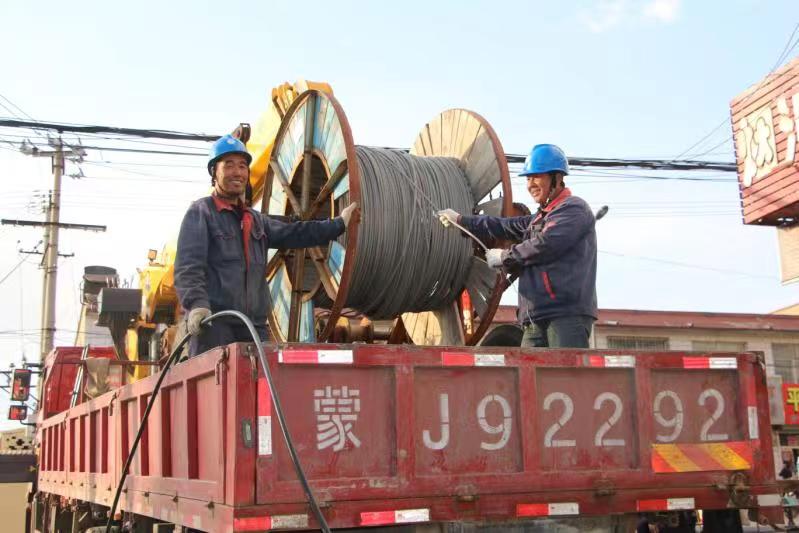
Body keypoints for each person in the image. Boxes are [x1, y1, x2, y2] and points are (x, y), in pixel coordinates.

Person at [175, 134, 358, 356]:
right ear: (214, 172)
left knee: (260, 378)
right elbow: (188, 267)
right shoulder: (201, 212)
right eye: (229, 165)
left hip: (253, 327)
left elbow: (297, 232)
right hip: (215, 325)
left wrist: (339, 224)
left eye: (242, 166)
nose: (237, 172)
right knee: (218, 379)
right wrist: (197, 305)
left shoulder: (255, 220)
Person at [438, 144, 597, 348]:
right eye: (528, 178)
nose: (531, 184)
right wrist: (461, 220)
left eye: (536, 177)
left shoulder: (574, 209)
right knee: (528, 369)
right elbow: (503, 225)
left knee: (563, 370)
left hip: (566, 316)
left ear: (557, 178)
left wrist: (504, 257)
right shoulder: (539, 219)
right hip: (534, 317)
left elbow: (545, 245)